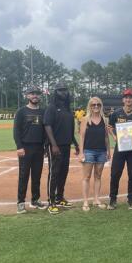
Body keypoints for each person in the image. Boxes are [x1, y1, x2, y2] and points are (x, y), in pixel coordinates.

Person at [44, 82, 80, 215]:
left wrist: (75, 143)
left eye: (65, 90)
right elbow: (47, 126)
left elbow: (70, 130)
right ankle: (51, 201)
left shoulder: (68, 109)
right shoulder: (51, 107)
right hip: (55, 146)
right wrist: (53, 145)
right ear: (56, 92)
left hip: (66, 145)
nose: (63, 92)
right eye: (60, 90)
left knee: (64, 172)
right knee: (54, 173)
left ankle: (60, 197)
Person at [107, 89, 132, 210]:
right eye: (126, 97)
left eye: (130, 97)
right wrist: (115, 138)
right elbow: (110, 127)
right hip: (120, 148)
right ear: (123, 99)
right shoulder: (117, 113)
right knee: (115, 174)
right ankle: (113, 200)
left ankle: (131, 200)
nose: (128, 99)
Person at [13, 86, 46, 214]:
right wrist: (19, 146)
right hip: (25, 148)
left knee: (37, 176)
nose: (35, 96)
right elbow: (16, 131)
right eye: (32, 94)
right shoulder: (21, 112)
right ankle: (21, 202)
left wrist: (44, 147)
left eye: (37, 94)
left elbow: (45, 131)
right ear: (27, 96)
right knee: (23, 176)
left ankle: (35, 200)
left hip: (39, 148)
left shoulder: (43, 112)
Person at [79, 97, 110, 211]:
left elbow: (106, 137)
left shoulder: (105, 120)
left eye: (98, 104)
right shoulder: (85, 119)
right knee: (86, 177)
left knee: (98, 176)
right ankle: (85, 201)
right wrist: (81, 153)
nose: (96, 106)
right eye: (93, 105)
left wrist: (108, 152)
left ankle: (96, 199)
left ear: (101, 106)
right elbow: (82, 137)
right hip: (88, 151)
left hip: (101, 151)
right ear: (90, 106)